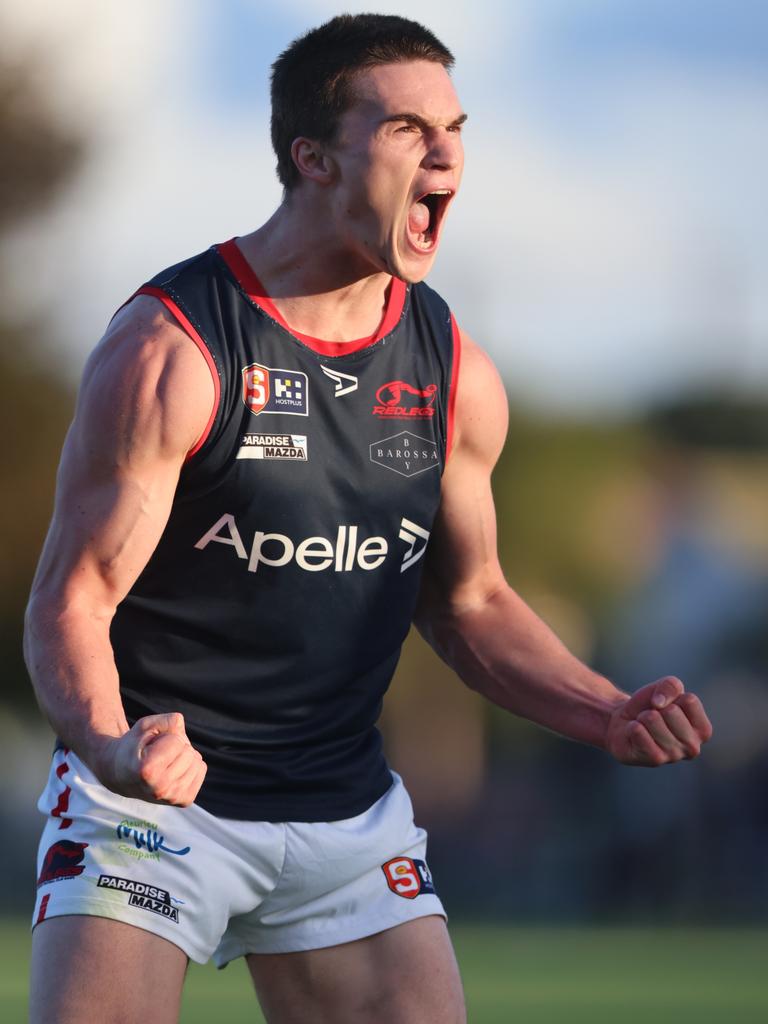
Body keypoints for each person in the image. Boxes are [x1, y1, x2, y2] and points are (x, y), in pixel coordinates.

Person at [24, 13, 713, 1024]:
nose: (445, 154)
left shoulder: (454, 373)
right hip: (150, 809)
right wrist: (113, 744)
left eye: (454, 127)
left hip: (346, 817)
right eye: (404, 129)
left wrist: (601, 710)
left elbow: (471, 602)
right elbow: (71, 601)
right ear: (313, 159)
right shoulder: (173, 351)